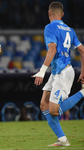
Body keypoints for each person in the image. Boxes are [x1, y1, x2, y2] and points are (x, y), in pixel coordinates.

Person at [32, 1, 84, 147]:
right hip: (58, 72)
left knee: (54, 110)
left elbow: (52, 49)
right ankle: (62, 139)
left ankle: (83, 93)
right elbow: (82, 51)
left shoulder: (49, 27)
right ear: (62, 14)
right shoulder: (70, 30)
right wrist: (83, 72)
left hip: (63, 73)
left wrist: (42, 71)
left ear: (49, 13)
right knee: (44, 105)